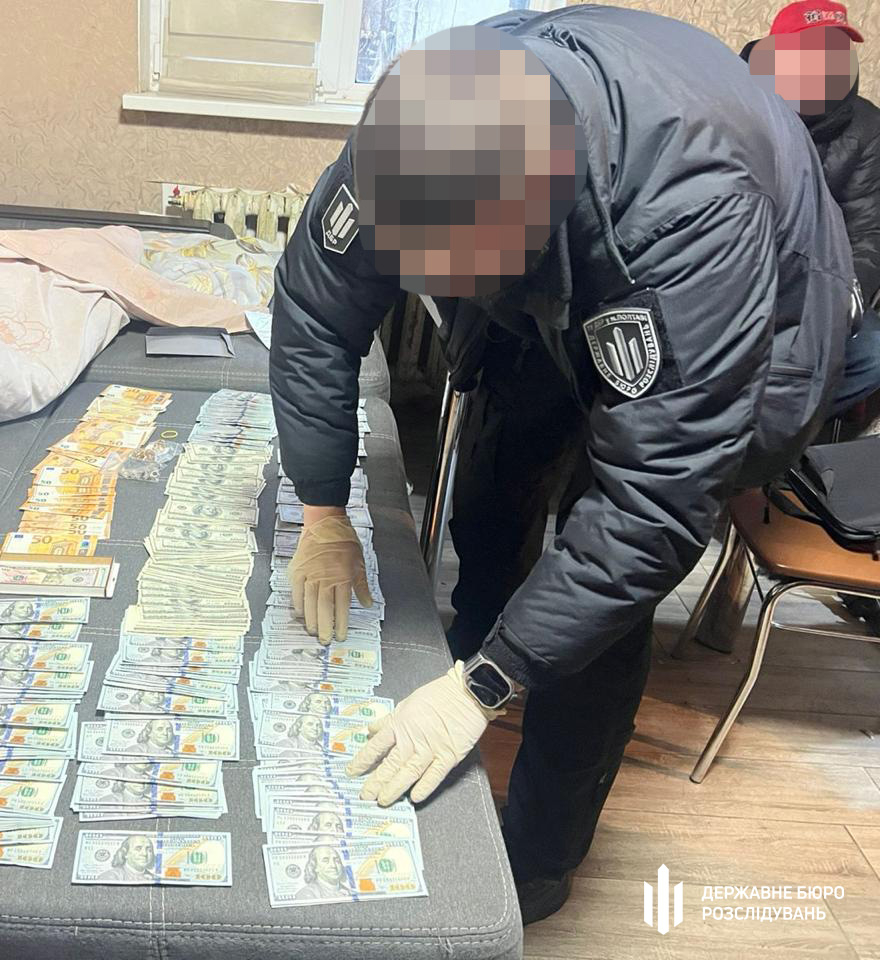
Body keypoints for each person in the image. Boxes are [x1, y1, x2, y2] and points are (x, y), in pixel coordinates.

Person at [270, 5, 853, 925]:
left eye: (462, 271)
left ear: (535, 227)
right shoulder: (410, 131)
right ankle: (472, 657)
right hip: (573, 262)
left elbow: (650, 511)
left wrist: (491, 683)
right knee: (493, 489)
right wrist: (322, 509)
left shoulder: (688, 215)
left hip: (760, 311)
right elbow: (314, 307)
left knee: (601, 602)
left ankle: (539, 859)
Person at [743, 1, 880, 421]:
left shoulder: (866, 127)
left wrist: (840, 302)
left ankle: (768, 432)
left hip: (816, 286)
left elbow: (867, 234)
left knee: (873, 351)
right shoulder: (735, 104)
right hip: (737, 276)